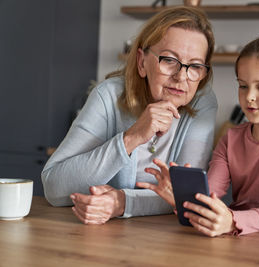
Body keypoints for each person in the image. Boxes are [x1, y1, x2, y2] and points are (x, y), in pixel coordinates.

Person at [41, 6, 218, 224]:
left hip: (166, 240)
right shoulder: (108, 95)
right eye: (169, 60)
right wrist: (131, 138)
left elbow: (188, 196)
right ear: (142, 62)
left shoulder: (203, 103)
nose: (181, 76)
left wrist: (122, 202)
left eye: (195, 66)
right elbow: (53, 186)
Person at [139, 34, 259, 236]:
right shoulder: (231, 138)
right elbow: (210, 196)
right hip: (239, 240)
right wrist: (184, 199)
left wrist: (233, 221)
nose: (249, 96)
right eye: (243, 86)